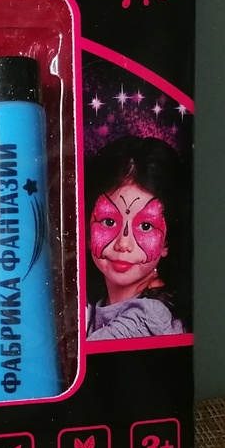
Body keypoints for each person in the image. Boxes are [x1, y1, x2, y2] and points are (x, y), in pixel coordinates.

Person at [85, 135, 191, 340]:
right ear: (87, 231)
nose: (123, 243)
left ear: (167, 242)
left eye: (146, 226)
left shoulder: (149, 318)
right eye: (108, 221)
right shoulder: (93, 306)